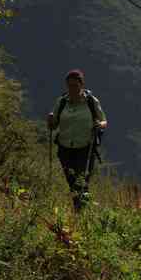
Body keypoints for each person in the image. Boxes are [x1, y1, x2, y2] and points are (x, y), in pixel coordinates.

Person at [47, 69, 108, 211]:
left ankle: (81, 211)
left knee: (81, 182)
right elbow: (54, 125)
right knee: (72, 182)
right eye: (69, 85)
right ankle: (83, 210)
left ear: (82, 85)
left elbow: (104, 120)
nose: (72, 89)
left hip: (85, 148)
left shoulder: (91, 101)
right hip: (64, 149)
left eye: (75, 85)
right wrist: (50, 121)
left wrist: (99, 125)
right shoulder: (62, 102)